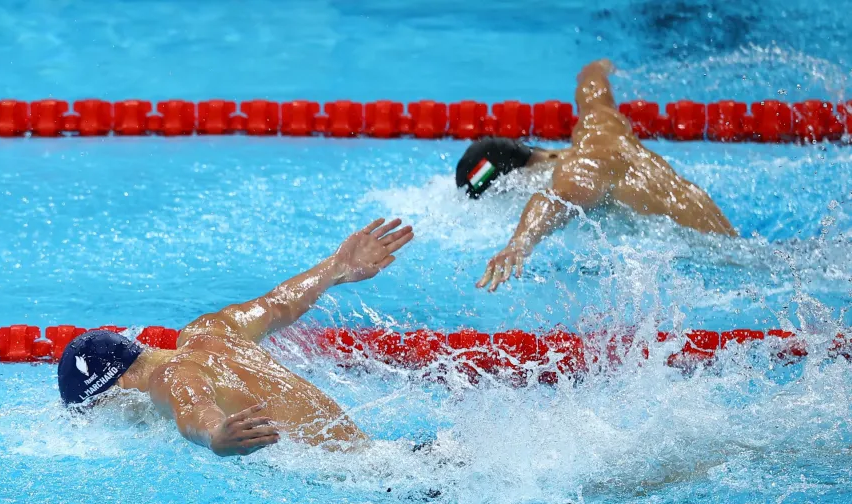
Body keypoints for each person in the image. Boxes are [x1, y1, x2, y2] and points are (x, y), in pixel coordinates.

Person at [56, 218, 414, 456]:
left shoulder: (166, 376)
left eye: (102, 409)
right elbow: (277, 305)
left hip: (365, 483)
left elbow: (194, 406)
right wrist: (335, 267)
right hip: (381, 456)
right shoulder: (210, 331)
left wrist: (215, 436)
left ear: (116, 385)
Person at [457, 59, 736, 292]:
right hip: (726, 238)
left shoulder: (580, 167)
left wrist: (519, 243)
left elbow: (556, 199)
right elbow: (592, 87)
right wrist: (597, 68)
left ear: (518, 178)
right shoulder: (598, 125)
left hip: (716, 263)